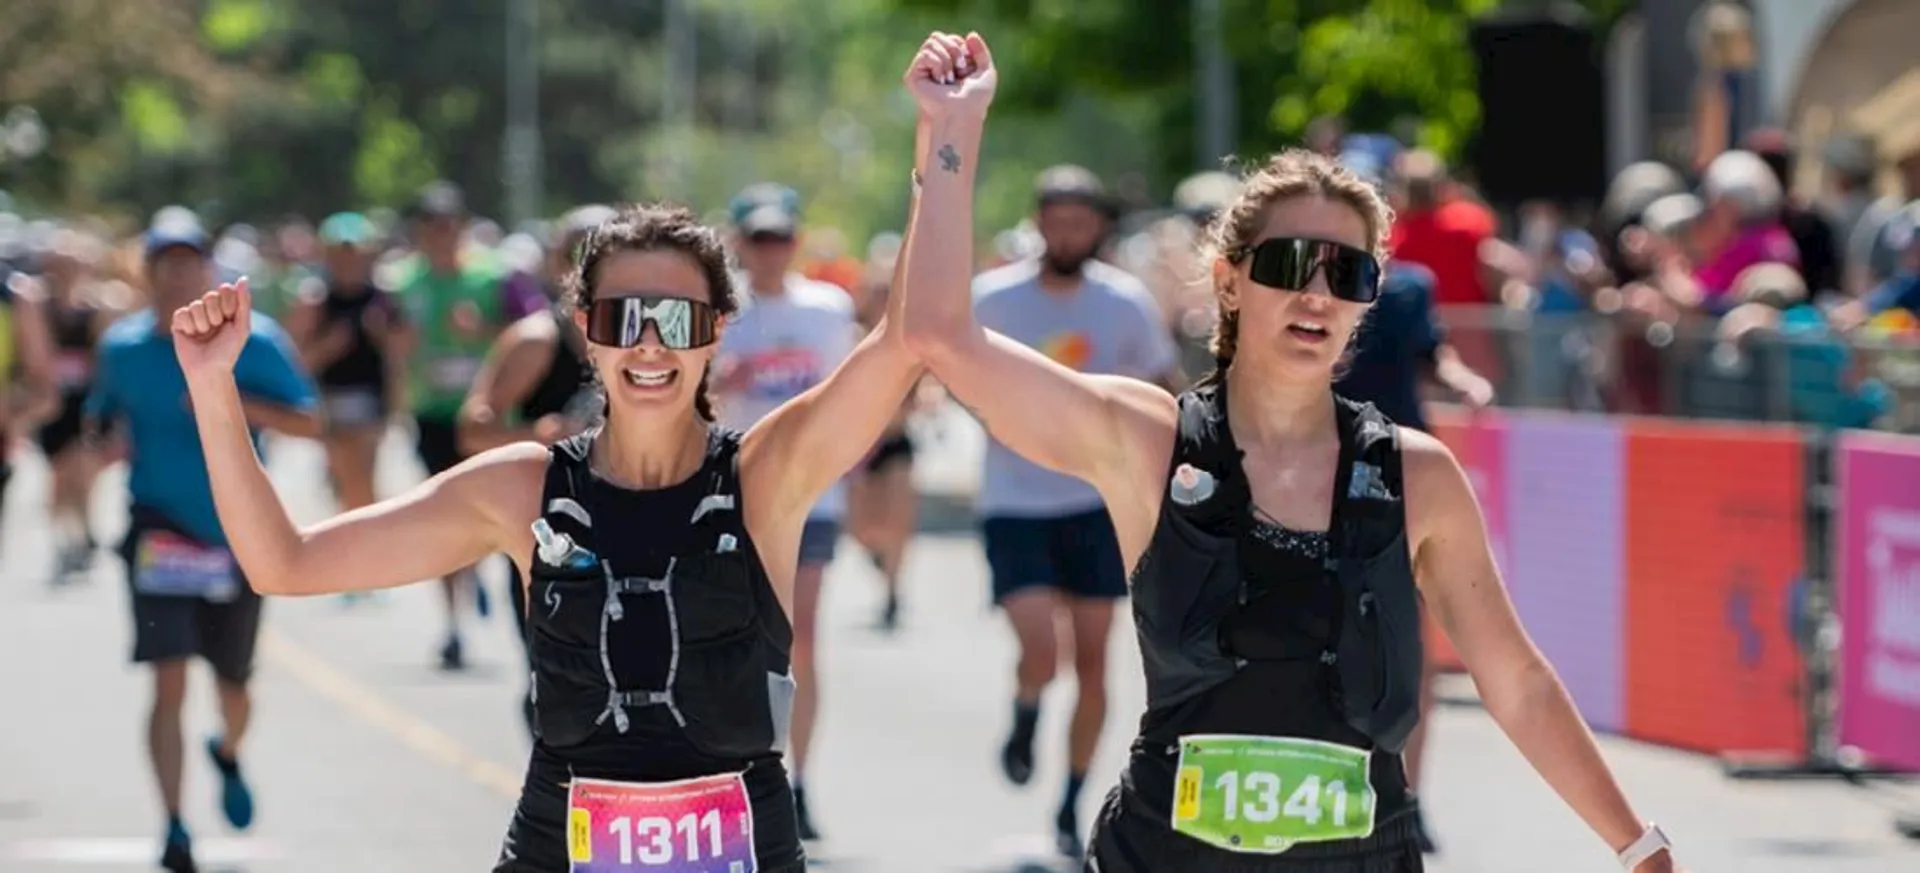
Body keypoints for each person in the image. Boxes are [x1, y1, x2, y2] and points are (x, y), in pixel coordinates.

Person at [895, 31, 1687, 872]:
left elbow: (1515, 678)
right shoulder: (1148, 440)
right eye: (1289, 263)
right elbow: (941, 335)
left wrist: (1637, 845)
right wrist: (950, 133)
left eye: (1347, 274)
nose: (1316, 293)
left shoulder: (1415, 475)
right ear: (1230, 277)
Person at [169, 200, 924, 872]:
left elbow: (909, 337)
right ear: (586, 330)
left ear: (717, 330)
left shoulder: (763, 475)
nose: (650, 344)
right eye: (622, 317)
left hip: (743, 846)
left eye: (678, 318)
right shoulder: (521, 487)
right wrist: (212, 387)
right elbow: (283, 562)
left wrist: (945, 137)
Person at [87, 212, 323, 873]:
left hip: (239, 533)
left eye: (191, 260)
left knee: (234, 686)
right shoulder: (124, 348)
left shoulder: (256, 339)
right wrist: (100, 442)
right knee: (166, 683)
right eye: (166, 262)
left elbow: (310, 423)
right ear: (149, 271)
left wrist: (227, 395)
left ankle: (227, 749)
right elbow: (99, 420)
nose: (179, 273)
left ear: (210, 269)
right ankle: (173, 824)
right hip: (159, 528)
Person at [969, 162, 1180, 854]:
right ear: (1038, 223)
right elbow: (950, 369)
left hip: (1096, 501)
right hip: (1016, 499)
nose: (1066, 233)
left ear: (1099, 227)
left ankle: (1069, 799)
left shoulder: (1123, 302)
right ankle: (1028, 707)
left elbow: (1161, 388)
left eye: (1079, 221)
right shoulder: (994, 298)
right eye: (1054, 220)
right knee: (1042, 648)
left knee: (1094, 659)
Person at [709, 182, 861, 841]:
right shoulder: (716, 312)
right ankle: (731, 775)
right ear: (737, 241)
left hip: (811, 493)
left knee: (798, 638)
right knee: (731, 640)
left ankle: (794, 783)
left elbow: (853, 394)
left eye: (781, 237)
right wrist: (720, 382)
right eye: (757, 238)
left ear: (796, 240)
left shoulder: (829, 307)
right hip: (728, 492)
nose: (769, 250)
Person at [458, 204, 615, 733]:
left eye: (606, 253)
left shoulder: (648, 339)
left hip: (633, 521)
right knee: (555, 672)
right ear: (557, 265)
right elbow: (473, 428)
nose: (591, 268)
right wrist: (537, 435)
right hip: (548, 528)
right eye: (578, 255)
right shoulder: (535, 341)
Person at [394, 181, 543, 669]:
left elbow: (541, 331)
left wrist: (481, 331)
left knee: (505, 517)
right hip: (434, 414)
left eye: (447, 225)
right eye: (430, 226)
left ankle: (522, 614)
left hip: (490, 419)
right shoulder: (403, 281)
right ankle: (453, 624)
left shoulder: (496, 276)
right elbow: (385, 333)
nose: (440, 235)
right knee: (444, 517)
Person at [285, 212, 406, 579]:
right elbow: (295, 359)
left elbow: (401, 352)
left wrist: (382, 337)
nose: (349, 260)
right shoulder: (315, 299)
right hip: (331, 399)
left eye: (355, 252)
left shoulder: (383, 298)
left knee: (362, 476)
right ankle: (357, 552)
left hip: (370, 400)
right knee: (348, 477)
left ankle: (363, 553)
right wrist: (329, 346)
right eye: (341, 252)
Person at [845, 231, 919, 632]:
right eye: (876, 289)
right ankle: (878, 560)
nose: (882, 296)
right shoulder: (851, 338)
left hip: (895, 443)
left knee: (899, 522)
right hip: (858, 447)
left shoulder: (912, 338)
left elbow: (927, 390)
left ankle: (893, 590)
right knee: (860, 528)